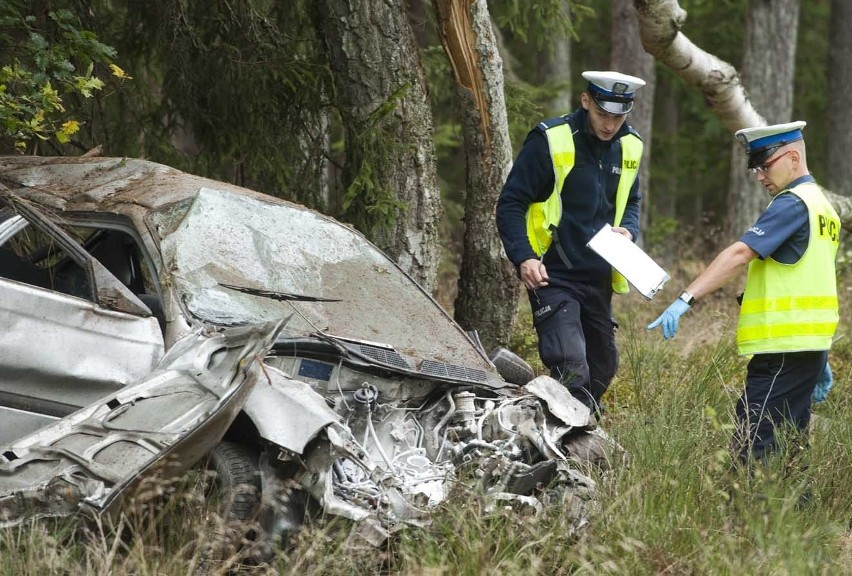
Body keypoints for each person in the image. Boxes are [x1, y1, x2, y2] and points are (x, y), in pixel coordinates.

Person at [647, 121, 841, 463]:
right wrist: (819, 354)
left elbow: (739, 254)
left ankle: (752, 514)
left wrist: (684, 299)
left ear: (793, 158)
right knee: (792, 443)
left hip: (782, 350)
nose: (759, 176)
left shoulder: (792, 204)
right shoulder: (823, 207)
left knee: (756, 441)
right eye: (755, 168)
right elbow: (814, 279)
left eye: (765, 165)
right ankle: (794, 513)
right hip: (804, 347)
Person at [496, 70, 646, 414]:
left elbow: (632, 200)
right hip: (552, 274)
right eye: (602, 114)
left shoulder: (631, 144)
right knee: (570, 365)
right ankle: (562, 446)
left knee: (603, 366)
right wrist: (524, 257)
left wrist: (628, 229)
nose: (610, 125)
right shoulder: (550, 138)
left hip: (598, 277)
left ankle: (565, 430)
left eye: (619, 116)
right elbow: (511, 203)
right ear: (585, 101)